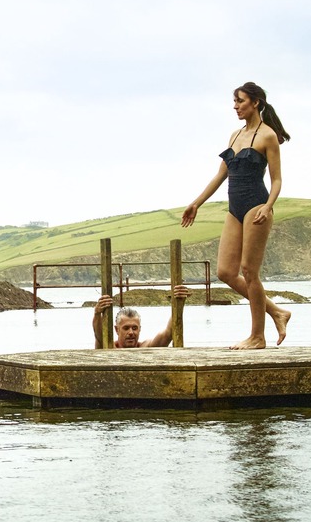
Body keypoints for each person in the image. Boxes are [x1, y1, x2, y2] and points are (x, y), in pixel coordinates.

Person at [180, 81, 292, 350]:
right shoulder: (234, 135)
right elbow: (221, 175)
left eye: (240, 101)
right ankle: (277, 311)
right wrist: (196, 203)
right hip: (235, 209)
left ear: (255, 102)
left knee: (249, 271)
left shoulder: (268, 136)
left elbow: (277, 179)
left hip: (257, 205)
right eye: (234, 102)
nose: (235, 106)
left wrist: (268, 205)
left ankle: (258, 336)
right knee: (225, 272)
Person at [91, 286, 190, 348]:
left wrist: (179, 303)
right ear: (117, 330)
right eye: (126, 328)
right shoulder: (110, 347)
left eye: (135, 328)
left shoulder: (146, 347)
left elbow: (168, 334)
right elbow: (99, 335)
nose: (131, 332)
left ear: (140, 329)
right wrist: (97, 313)